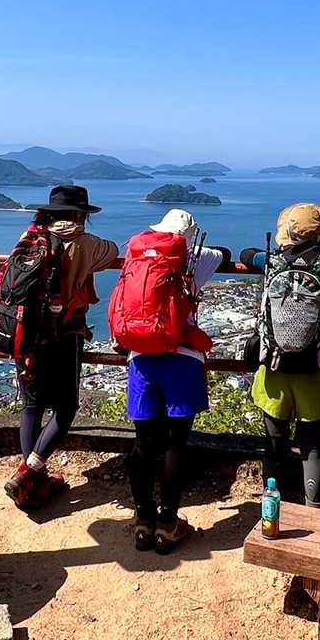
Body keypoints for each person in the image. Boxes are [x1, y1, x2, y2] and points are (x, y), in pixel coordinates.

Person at [110, 208, 227, 553]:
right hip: (183, 358)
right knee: (176, 443)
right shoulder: (196, 257)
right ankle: (168, 523)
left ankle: (143, 521)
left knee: (144, 443)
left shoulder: (137, 256)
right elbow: (223, 254)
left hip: (140, 357)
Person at [240, 203, 320, 508]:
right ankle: (314, 509)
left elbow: (245, 254)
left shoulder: (270, 261)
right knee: (313, 446)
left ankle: (271, 508)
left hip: (273, 368)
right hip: (313, 368)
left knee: (274, 444)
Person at [3, 185, 119, 509]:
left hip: (25, 333)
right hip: (64, 335)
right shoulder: (84, 242)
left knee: (31, 406)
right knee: (66, 408)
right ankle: (29, 472)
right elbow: (112, 251)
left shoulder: (30, 237)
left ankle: (31, 483)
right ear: (80, 215)